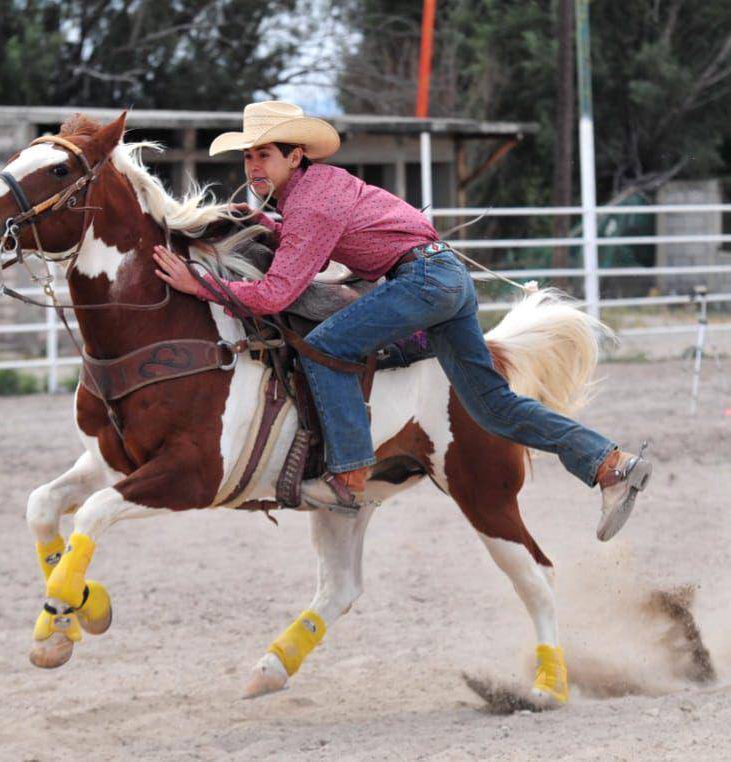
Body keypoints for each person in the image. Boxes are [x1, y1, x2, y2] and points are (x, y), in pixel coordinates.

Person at [152, 100, 652, 541]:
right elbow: (305, 244)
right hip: (441, 275)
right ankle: (609, 464)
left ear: (295, 156)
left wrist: (200, 286)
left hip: (422, 281)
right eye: (248, 155)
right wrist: (263, 222)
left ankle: (347, 474)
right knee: (494, 406)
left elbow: (277, 291)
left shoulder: (312, 201)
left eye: (263, 154)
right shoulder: (315, 192)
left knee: (326, 349)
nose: (253, 165)